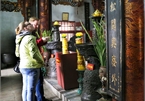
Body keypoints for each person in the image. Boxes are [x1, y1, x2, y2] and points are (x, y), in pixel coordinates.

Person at [15, 21, 44, 101]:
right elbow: (34, 54)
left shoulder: (19, 38)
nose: (32, 25)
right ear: (25, 28)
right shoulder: (30, 38)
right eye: (29, 24)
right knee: (31, 89)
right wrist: (41, 61)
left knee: (26, 88)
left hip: (23, 66)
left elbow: (17, 54)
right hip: (32, 66)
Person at [29, 17, 51, 101]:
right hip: (33, 61)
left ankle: (40, 98)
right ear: (30, 24)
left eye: (38, 24)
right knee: (37, 82)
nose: (37, 26)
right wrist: (41, 40)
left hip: (34, 61)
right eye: (35, 24)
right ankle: (40, 99)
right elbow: (33, 45)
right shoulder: (28, 34)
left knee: (38, 81)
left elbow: (36, 44)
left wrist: (44, 41)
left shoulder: (33, 33)